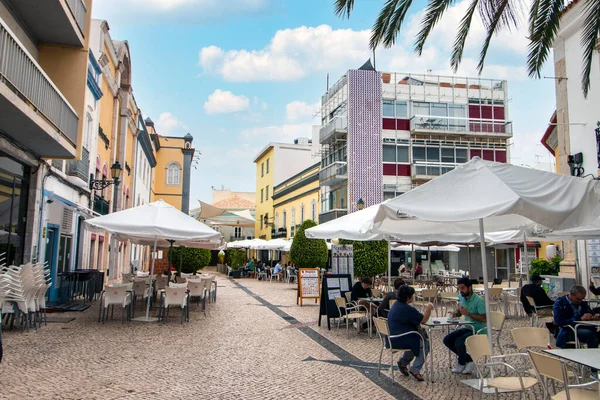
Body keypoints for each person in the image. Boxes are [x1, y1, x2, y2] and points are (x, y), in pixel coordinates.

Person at [387, 285, 432, 381]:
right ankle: (415, 369)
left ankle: (403, 363)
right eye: (412, 295)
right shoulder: (407, 309)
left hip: (392, 338)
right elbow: (423, 320)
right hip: (401, 339)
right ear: (408, 297)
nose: (413, 297)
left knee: (415, 341)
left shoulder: (396, 305)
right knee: (425, 344)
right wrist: (428, 308)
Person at [443, 277, 487, 375]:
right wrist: (456, 313)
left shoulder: (479, 301)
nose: (461, 291)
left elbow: (484, 319)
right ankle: (469, 360)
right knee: (447, 340)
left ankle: (461, 363)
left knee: (459, 342)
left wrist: (468, 314)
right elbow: (461, 312)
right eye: (459, 288)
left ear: (470, 287)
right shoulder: (461, 297)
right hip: (467, 327)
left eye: (463, 288)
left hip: (479, 329)